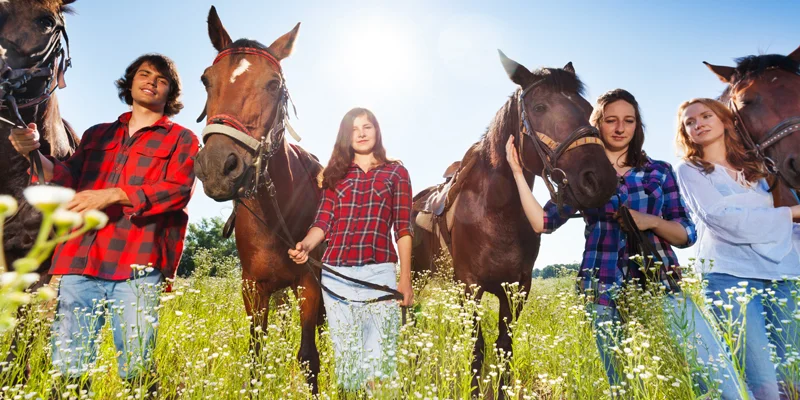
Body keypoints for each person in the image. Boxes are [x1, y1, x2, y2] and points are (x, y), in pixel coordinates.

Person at [506, 89, 744, 398]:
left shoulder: (659, 171)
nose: (620, 128)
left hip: (659, 283)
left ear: (637, 126)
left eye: (628, 120)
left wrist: (652, 222)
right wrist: (516, 172)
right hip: (601, 287)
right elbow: (543, 223)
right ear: (598, 125)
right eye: (611, 120)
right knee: (622, 383)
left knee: (708, 368)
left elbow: (687, 233)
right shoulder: (582, 175)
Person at [8, 54, 199, 394]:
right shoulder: (97, 135)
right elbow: (66, 177)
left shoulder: (182, 140)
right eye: (144, 73)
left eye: (161, 79)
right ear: (130, 82)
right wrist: (32, 152)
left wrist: (111, 195)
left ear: (170, 93)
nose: (151, 81)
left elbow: (177, 191)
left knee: (136, 368)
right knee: (68, 365)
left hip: (138, 266)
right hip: (82, 259)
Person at [675, 98, 800, 399]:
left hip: (784, 275)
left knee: (794, 376)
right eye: (689, 122)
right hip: (730, 278)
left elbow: (788, 231)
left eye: (706, 116)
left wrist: (780, 219)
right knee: (764, 382)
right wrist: (792, 214)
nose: (698, 123)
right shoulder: (691, 170)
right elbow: (725, 220)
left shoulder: (762, 167)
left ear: (726, 121)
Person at [288, 107, 414, 392]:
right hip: (337, 278)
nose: (361, 133)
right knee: (349, 366)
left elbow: (403, 228)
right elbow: (323, 221)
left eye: (367, 126)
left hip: (379, 273)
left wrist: (404, 278)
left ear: (376, 130)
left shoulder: (396, 172)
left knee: (380, 365)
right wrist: (306, 245)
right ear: (346, 136)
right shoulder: (335, 176)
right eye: (354, 129)